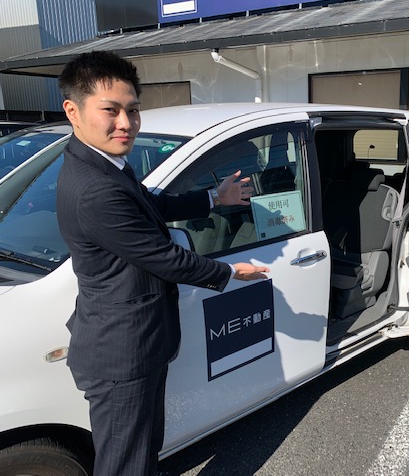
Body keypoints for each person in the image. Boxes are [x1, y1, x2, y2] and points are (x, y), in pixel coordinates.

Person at [56, 50, 269, 475]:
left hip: (132, 345)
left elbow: (150, 204)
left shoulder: (102, 163)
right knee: (126, 464)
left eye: (133, 110)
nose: (126, 123)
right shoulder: (95, 188)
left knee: (142, 453)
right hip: (123, 354)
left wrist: (213, 197)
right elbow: (163, 258)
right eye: (111, 110)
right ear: (73, 111)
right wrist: (230, 272)